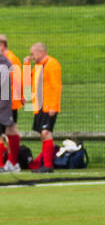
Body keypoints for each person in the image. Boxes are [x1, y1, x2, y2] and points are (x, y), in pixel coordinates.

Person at [23, 43, 61, 172]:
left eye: (32, 53)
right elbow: (28, 81)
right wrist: (27, 64)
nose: (31, 56)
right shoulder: (39, 66)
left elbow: (56, 87)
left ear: (40, 52)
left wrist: (53, 106)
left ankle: (48, 165)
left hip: (48, 105)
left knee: (46, 133)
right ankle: (45, 164)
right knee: (43, 135)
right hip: (39, 106)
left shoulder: (52, 64)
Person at [0, 36, 22, 171]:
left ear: (2, 45)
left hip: (9, 101)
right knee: (8, 131)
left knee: (11, 130)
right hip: (5, 100)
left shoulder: (10, 59)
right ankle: (8, 162)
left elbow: (17, 80)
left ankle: (12, 162)